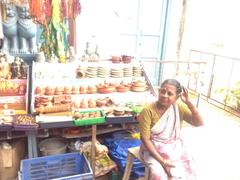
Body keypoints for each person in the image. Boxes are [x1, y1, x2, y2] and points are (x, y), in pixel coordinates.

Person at [139, 79, 204, 180]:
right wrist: (162, 161)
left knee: (187, 168)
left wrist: (189, 103)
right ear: (159, 91)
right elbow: (145, 139)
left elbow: (199, 123)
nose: (165, 95)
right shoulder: (147, 111)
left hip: (174, 148)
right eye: (162, 91)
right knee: (158, 174)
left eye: (170, 93)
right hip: (152, 151)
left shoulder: (178, 107)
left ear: (177, 97)